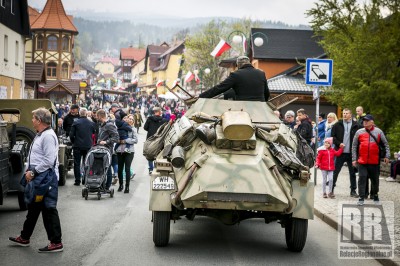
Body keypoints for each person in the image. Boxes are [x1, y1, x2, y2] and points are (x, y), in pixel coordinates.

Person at [9, 108, 63, 252]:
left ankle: (56, 242)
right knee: (34, 208)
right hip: (40, 178)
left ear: (39, 120)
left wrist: (33, 172)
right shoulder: (41, 134)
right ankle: (24, 237)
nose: (32, 120)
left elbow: (49, 160)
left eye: (33, 118)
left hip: (46, 179)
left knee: (49, 209)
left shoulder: (48, 136)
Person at [352, 114, 390, 205]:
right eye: (364, 120)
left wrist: (387, 156)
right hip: (362, 161)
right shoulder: (359, 132)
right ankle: (361, 198)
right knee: (362, 178)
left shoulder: (379, 132)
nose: (365, 122)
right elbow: (354, 146)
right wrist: (354, 159)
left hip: (374, 161)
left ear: (372, 122)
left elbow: (386, 144)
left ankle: (375, 195)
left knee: (375, 180)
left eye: (367, 120)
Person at [199, 56, 270, 102]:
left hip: (244, 109)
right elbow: (266, 92)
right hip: (260, 108)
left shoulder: (236, 74)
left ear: (238, 65)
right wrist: (264, 103)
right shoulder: (261, 73)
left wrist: (201, 96)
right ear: (249, 63)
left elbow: (220, 88)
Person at [331, 108, 361, 197]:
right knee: (335, 171)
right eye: (343, 113)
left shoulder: (356, 125)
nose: (344, 115)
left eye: (346, 113)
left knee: (352, 173)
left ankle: (353, 191)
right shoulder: (337, 125)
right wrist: (339, 144)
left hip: (351, 153)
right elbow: (333, 137)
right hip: (340, 152)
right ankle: (331, 189)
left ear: (350, 114)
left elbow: (360, 139)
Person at [69, 108, 96, 186]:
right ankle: (85, 179)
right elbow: (94, 134)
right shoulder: (91, 123)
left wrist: (74, 141)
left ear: (79, 114)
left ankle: (77, 180)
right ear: (86, 114)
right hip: (88, 146)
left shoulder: (76, 122)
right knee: (86, 163)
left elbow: (71, 135)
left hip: (77, 145)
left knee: (77, 163)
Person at [96, 109, 119, 191]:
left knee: (107, 168)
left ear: (100, 116)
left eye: (97, 116)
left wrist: (106, 142)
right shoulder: (102, 125)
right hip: (101, 149)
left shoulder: (109, 125)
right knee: (102, 168)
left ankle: (107, 187)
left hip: (107, 150)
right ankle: (101, 185)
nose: (96, 118)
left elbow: (116, 138)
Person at [115, 116, 138, 193]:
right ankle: (121, 184)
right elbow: (115, 138)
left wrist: (125, 140)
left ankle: (127, 186)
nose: (130, 120)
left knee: (127, 168)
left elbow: (135, 140)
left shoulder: (133, 129)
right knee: (120, 169)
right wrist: (119, 141)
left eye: (132, 119)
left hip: (130, 151)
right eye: (129, 118)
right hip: (120, 150)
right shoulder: (120, 128)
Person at [144, 107, 168, 174]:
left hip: (150, 138)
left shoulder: (149, 119)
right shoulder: (164, 120)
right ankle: (156, 167)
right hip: (159, 139)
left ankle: (150, 169)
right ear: (159, 111)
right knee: (159, 153)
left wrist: (151, 130)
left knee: (149, 153)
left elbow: (145, 128)